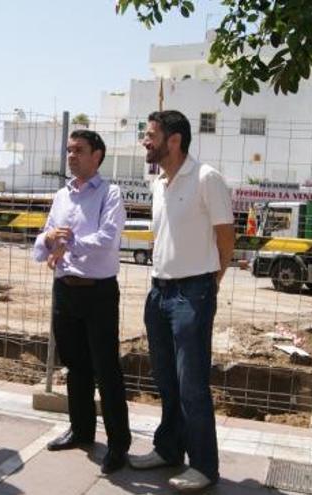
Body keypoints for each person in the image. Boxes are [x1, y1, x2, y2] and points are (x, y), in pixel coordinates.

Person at [127, 110, 235, 491]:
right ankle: (169, 449)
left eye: (151, 134)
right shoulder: (160, 183)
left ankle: (204, 466)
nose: (145, 141)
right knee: (166, 378)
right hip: (160, 291)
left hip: (193, 293)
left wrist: (210, 283)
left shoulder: (207, 178)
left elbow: (226, 240)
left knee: (192, 384)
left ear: (174, 140)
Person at [33, 129, 131, 474]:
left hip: (99, 292)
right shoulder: (62, 196)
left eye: (79, 151)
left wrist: (69, 242)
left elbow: (107, 239)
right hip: (65, 289)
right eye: (69, 151)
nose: (71, 156)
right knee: (75, 366)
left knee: (106, 369)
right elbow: (41, 243)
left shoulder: (110, 193)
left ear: (97, 155)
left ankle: (119, 445)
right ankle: (81, 430)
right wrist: (49, 239)